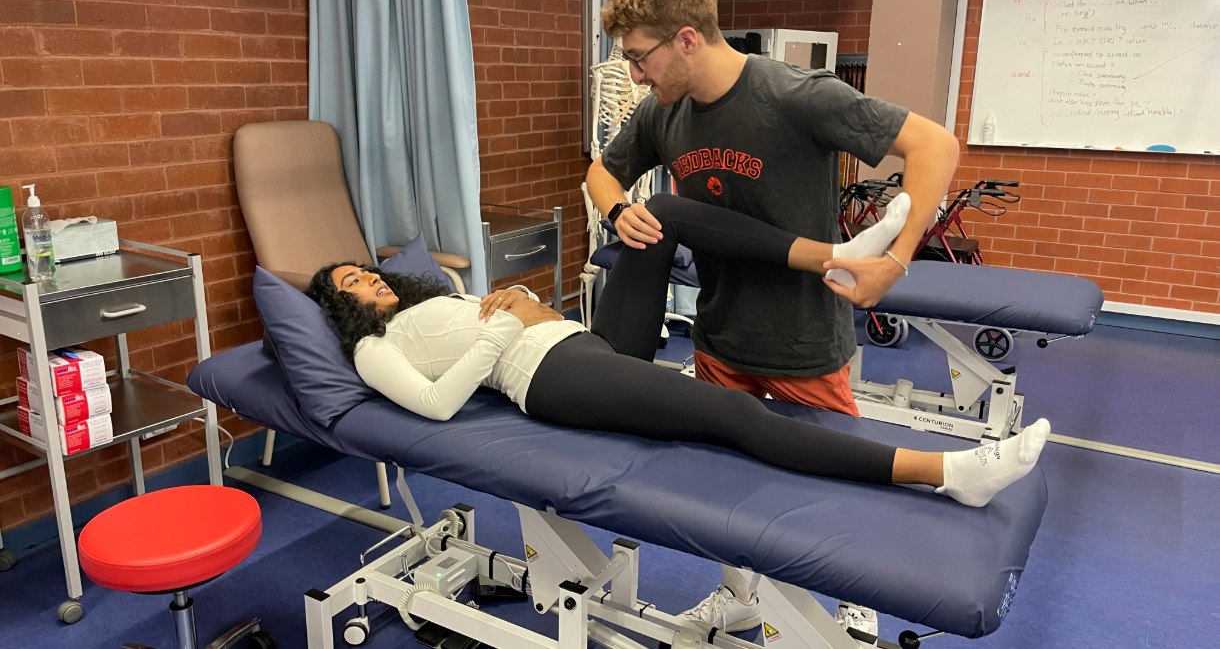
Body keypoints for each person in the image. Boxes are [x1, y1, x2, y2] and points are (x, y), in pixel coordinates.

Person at [585, 0, 962, 638]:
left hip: (802, 339)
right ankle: (738, 593)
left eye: (642, 57)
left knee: (824, 481)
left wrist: (898, 261)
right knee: (726, 484)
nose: (635, 74)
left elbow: (936, 144)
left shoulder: (795, 94)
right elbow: (599, 172)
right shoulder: (661, 115)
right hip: (721, 332)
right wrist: (617, 210)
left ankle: (854, 599)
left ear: (688, 39)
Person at [307, 195, 1049, 527]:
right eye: (351, 284)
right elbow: (437, 403)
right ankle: (949, 474)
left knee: (664, 214)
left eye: (365, 269)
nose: (369, 277)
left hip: (572, 340)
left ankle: (836, 255)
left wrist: (525, 301)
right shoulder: (377, 347)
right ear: (342, 308)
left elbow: (508, 309)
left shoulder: (422, 301)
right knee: (727, 409)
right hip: (547, 377)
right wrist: (511, 329)